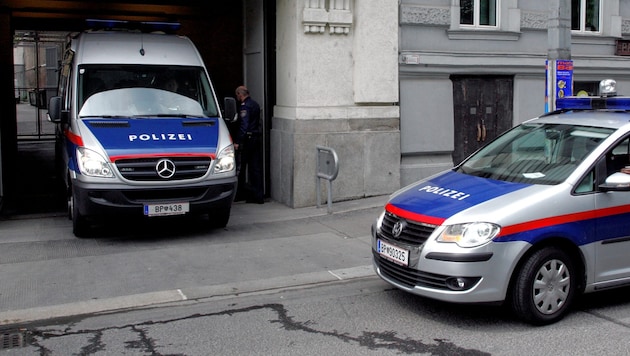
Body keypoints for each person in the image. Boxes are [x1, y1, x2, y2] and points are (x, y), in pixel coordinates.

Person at [234, 85, 264, 204]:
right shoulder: (255, 104)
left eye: (237, 95)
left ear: (240, 94)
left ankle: (240, 194)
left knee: (241, 168)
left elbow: (244, 126)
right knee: (255, 168)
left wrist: (237, 141)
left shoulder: (245, 106)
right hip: (255, 138)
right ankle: (258, 195)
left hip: (247, 140)